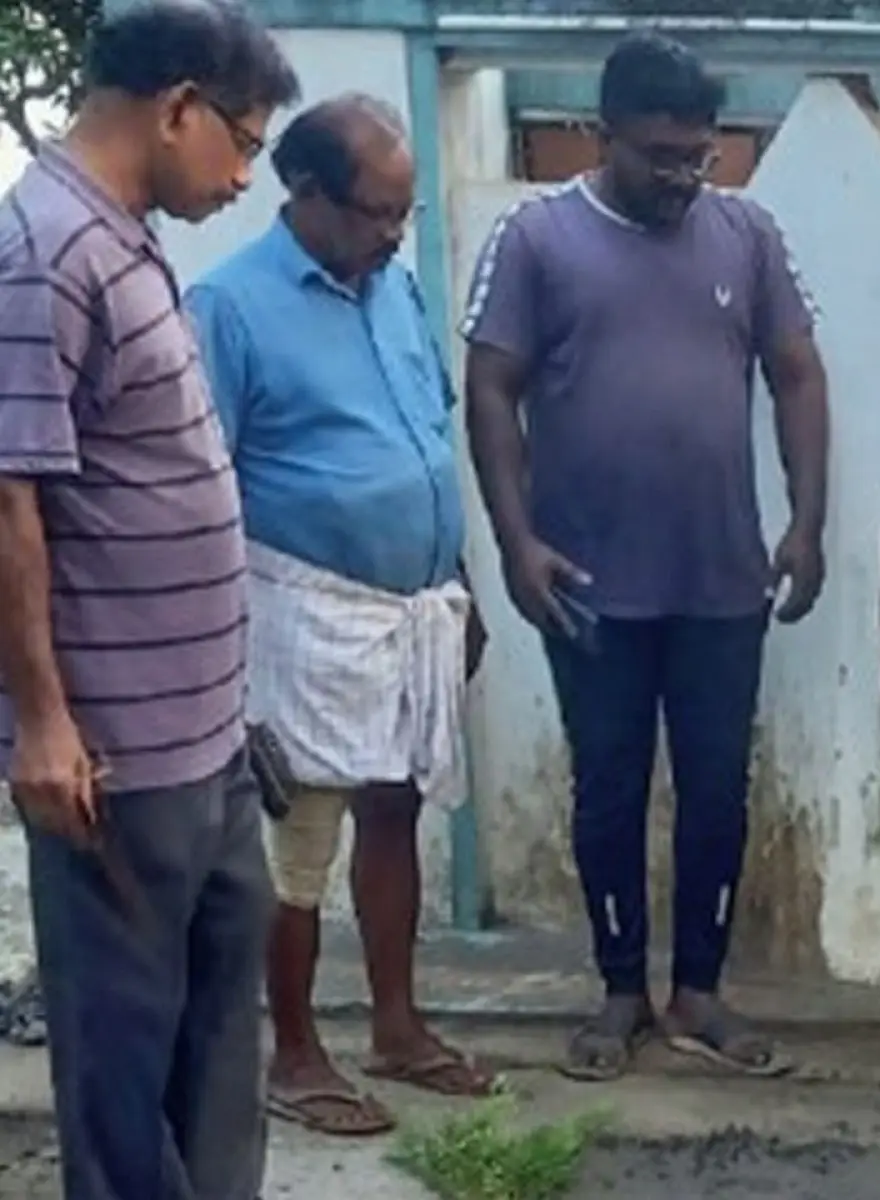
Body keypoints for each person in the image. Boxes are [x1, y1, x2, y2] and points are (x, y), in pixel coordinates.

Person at [461, 30, 830, 1082]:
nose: (681, 176)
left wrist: (805, 520)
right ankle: (619, 990)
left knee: (718, 791)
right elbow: (492, 386)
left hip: (722, 581)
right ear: (602, 133)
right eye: (659, 155)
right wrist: (516, 538)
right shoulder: (534, 237)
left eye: (697, 155)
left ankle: (699, 991)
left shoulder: (748, 234)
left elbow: (798, 372)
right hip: (588, 583)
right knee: (608, 791)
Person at [0, 1, 299, 1196]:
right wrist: (44, 722)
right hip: (113, 762)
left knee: (220, 1047)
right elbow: (8, 495)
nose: (245, 177)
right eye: (245, 142)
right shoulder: (45, 251)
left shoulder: (118, 234)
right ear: (178, 107)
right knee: (126, 1073)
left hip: (202, 741)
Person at [188, 94, 498, 1138]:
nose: (391, 233)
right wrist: (223, 671)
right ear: (306, 194)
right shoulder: (229, 309)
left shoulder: (394, 289)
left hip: (411, 609)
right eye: (374, 212)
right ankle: (297, 1051)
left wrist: (461, 584)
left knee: (395, 806)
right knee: (296, 845)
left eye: (403, 213)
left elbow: (423, 443)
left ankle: (398, 1028)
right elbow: (201, 492)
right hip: (298, 615)